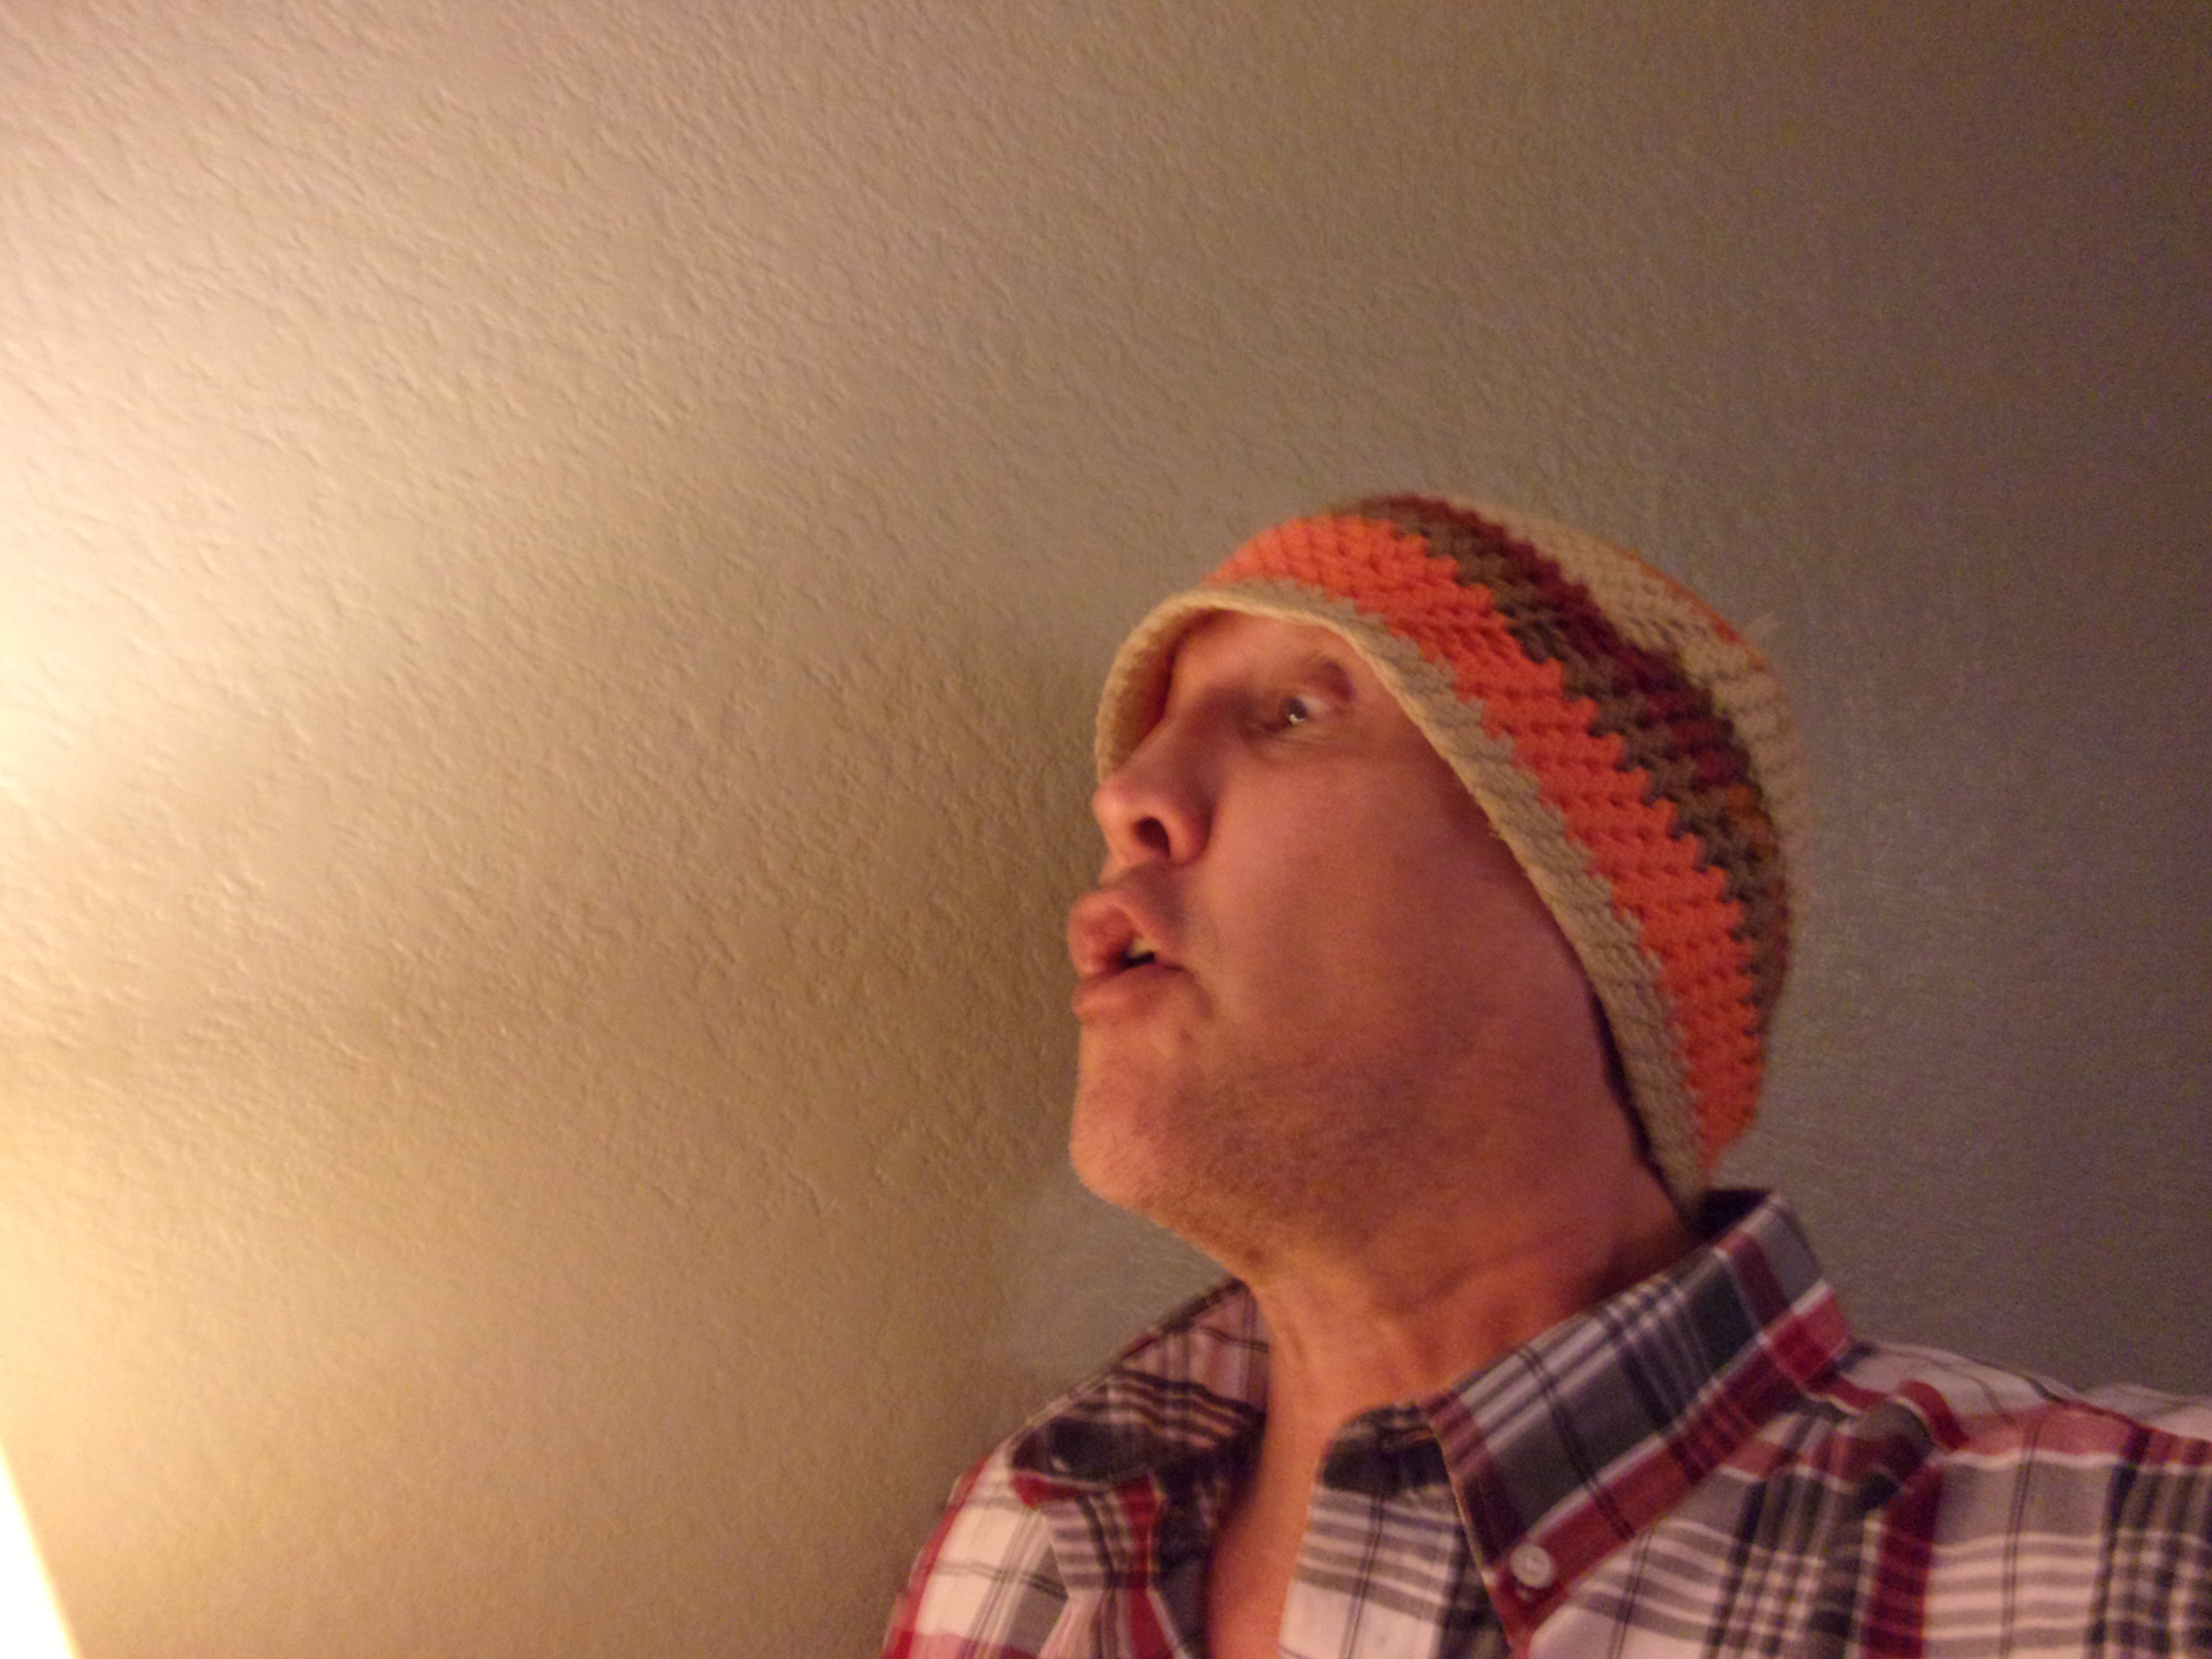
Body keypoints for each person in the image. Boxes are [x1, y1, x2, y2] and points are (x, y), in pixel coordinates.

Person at [879, 496, 2212, 1658]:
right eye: (1144, 746)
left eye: (1292, 714)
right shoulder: (1021, 1548)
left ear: (1606, 918)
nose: (1125, 797)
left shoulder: (2138, 1569)